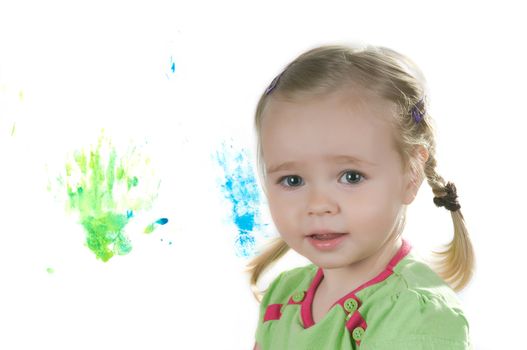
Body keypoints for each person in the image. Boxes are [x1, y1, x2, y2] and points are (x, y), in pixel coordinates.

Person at [246, 43, 474, 349]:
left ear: (412, 173)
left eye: (351, 177)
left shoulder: (417, 316)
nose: (318, 205)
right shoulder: (282, 297)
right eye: (292, 180)